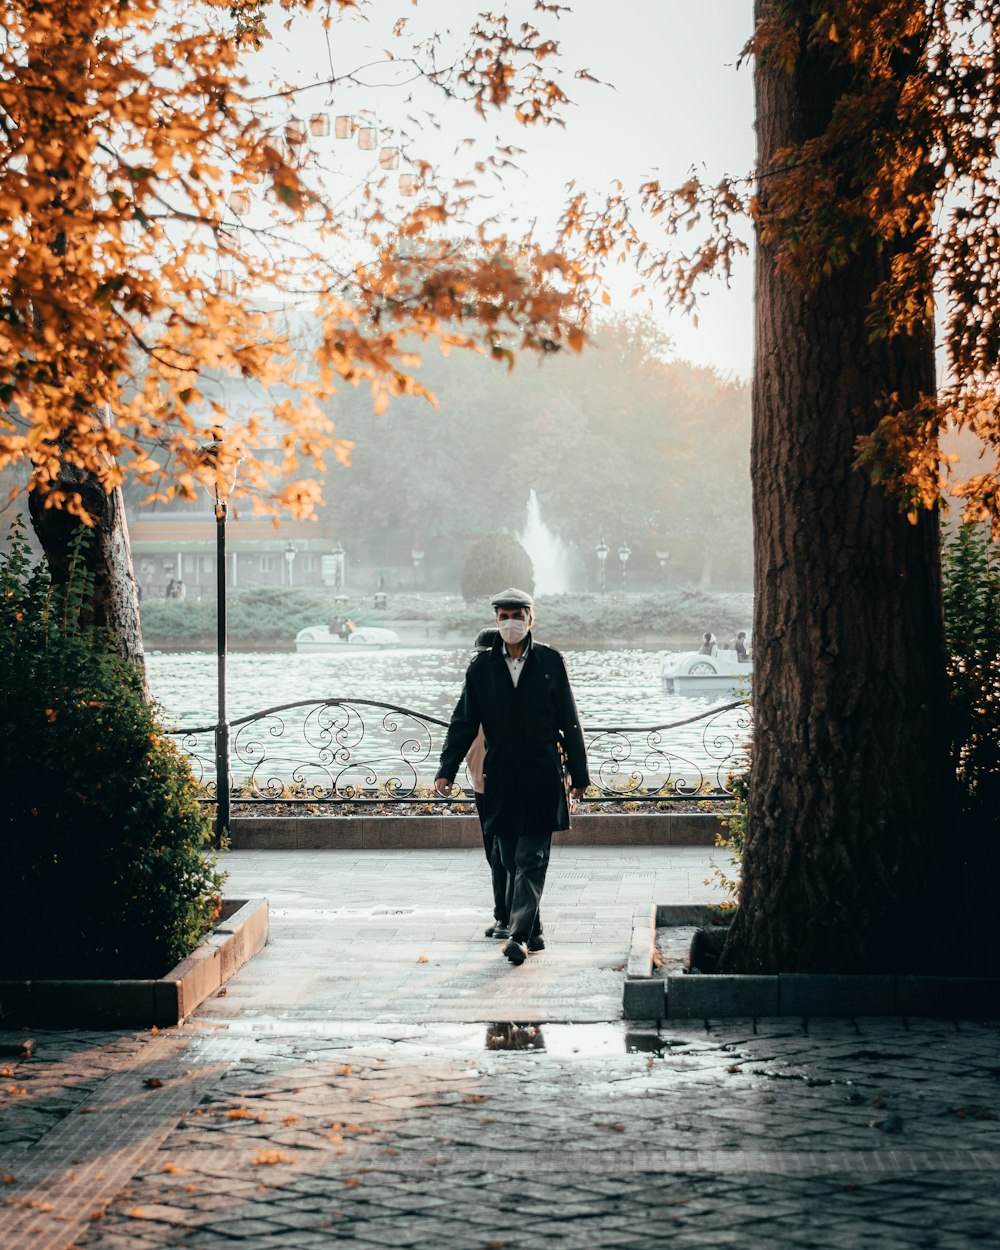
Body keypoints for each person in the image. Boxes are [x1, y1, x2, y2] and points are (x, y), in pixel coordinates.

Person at [435, 587, 589, 966]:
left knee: (531, 856)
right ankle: (533, 931)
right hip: (500, 777)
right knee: (506, 856)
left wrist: (579, 774)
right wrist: (447, 768)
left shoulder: (551, 662)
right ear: (495, 620)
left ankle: (518, 937)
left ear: (530, 618)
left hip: (541, 775)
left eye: (516, 615)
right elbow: (464, 722)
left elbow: (570, 721)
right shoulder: (481, 669)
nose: (510, 623)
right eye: (502, 616)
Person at [463, 627, 511, 940]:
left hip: (505, 782)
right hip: (481, 782)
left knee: (503, 852)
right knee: (494, 852)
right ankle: (507, 916)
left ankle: (511, 919)